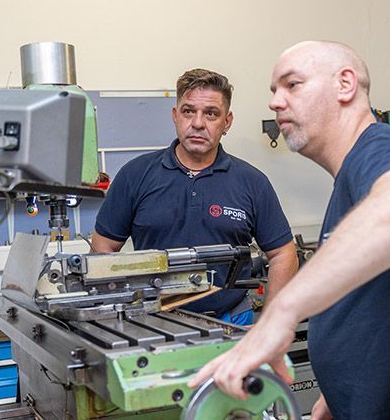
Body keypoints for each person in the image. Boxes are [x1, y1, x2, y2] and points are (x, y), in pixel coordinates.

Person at [189, 41, 390, 418]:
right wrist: (344, 391)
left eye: (291, 85)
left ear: (345, 84)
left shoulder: (379, 147)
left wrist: (281, 313)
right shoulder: (351, 180)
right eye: (273, 91)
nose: (276, 102)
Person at [91, 68, 299, 325]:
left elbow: (283, 254)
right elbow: (103, 246)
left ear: (227, 122)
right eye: (189, 111)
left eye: (211, 113)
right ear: (175, 116)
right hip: (152, 324)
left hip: (232, 322)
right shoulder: (135, 175)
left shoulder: (252, 182)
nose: (198, 123)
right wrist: (119, 312)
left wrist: (271, 323)